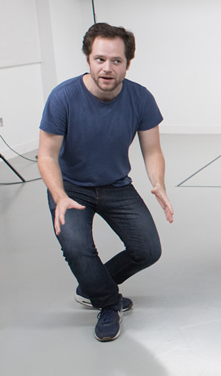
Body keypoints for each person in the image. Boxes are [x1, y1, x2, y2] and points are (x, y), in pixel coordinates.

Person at [38, 23, 174, 342]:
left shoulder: (140, 98)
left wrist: (158, 183)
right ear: (88, 59)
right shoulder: (63, 97)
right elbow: (46, 155)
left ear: (127, 63)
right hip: (70, 187)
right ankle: (108, 304)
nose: (107, 68)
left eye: (116, 61)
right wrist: (58, 195)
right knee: (77, 247)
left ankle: (93, 286)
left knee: (148, 250)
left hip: (116, 186)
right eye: (100, 59)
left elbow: (152, 150)